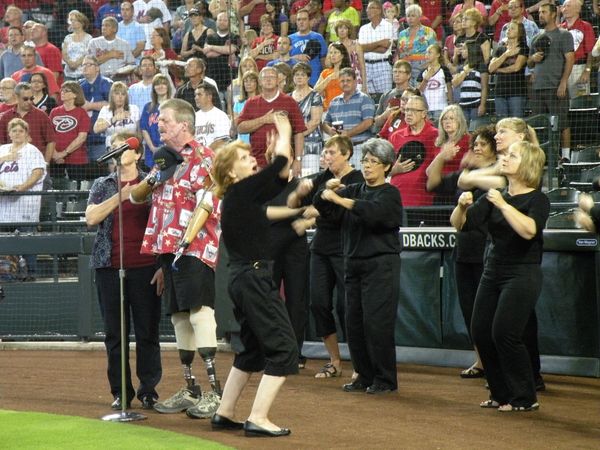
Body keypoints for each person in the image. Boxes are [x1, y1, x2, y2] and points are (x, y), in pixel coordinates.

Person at [133, 98, 223, 419]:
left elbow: (211, 204)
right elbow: (137, 196)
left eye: (165, 121)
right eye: (159, 121)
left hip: (195, 248)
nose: (159, 124)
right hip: (168, 251)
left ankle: (215, 393)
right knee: (179, 318)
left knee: (200, 314)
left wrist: (185, 242)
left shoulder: (204, 158)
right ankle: (191, 388)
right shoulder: (162, 161)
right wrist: (154, 175)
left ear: (184, 125)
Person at [210, 113, 298, 437]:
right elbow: (280, 167)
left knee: (251, 351)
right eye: (245, 158)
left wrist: (279, 156)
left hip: (242, 279)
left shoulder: (239, 196)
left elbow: (281, 176)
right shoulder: (242, 192)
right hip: (253, 279)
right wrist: (285, 130)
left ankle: (225, 412)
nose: (252, 161)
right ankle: (258, 417)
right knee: (284, 349)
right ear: (232, 171)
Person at [450, 140, 549, 412]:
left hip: (522, 273)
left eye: (511, 155)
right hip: (492, 271)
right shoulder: (495, 195)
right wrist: (462, 206)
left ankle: (524, 397)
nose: (504, 158)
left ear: (526, 165)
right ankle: (499, 394)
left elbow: (529, 230)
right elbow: (460, 225)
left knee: (505, 333)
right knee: (480, 332)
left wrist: (503, 205)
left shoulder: (537, 199)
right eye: (504, 155)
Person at [313, 138, 402, 394]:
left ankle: (385, 380)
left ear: (386, 167)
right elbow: (323, 206)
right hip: (353, 264)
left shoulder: (390, 193)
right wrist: (324, 191)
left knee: (377, 323)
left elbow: (373, 213)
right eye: (365, 161)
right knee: (354, 322)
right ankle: (364, 376)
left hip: (381, 265)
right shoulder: (355, 189)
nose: (367, 166)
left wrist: (338, 199)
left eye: (374, 162)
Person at [85, 132, 163, 411]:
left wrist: (162, 266)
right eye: (113, 148)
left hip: (145, 267)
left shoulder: (153, 182)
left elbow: (165, 223)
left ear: (138, 153)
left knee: (147, 332)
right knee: (114, 334)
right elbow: (91, 218)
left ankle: (148, 390)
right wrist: (121, 195)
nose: (118, 152)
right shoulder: (102, 184)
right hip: (109, 267)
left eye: (123, 147)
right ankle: (120, 391)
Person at [287, 135, 363, 378]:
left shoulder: (358, 179)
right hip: (320, 248)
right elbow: (300, 199)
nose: (326, 157)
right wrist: (300, 191)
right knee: (318, 303)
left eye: (332, 153)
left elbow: (342, 212)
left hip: (346, 248)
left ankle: (361, 364)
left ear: (347, 153)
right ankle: (334, 361)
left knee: (347, 307)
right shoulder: (322, 178)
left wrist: (314, 215)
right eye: (325, 153)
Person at [426, 126, 497, 377]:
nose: (476, 148)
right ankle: (481, 361)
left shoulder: (498, 176)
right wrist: (441, 157)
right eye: (474, 144)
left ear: (494, 149)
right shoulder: (465, 174)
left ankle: (496, 363)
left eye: (483, 144)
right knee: (470, 311)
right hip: (464, 250)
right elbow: (432, 181)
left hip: (488, 251)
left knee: (489, 312)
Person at [236, 66, 306, 175]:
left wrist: (298, 159)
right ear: (259, 81)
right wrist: (264, 120)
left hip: (284, 162)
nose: (268, 79)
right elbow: (240, 128)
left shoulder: (290, 102)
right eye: (265, 77)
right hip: (257, 164)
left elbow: (299, 132)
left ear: (278, 80)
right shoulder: (251, 103)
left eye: (272, 77)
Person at [528, 2, 574, 162]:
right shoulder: (536, 38)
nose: (540, 15)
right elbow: (529, 63)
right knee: (539, 125)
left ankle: (566, 158)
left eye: (544, 12)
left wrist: (563, 82)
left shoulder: (564, 35)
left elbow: (570, 59)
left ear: (554, 14)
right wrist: (532, 59)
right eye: (539, 12)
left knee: (562, 123)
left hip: (556, 86)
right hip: (537, 88)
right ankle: (543, 158)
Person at [389, 95, 438, 210]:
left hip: (423, 199)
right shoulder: (396, 136)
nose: (409, 113)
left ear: (424, 113)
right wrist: (394, 170)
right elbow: (383, 168)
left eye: (414, 110)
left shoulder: (436, 135)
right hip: (396, 199)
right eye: (407, 110)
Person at [322, 67, 375, 170]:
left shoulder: (364, 99)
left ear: (355, 82)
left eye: (348, 80)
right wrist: (330, 131)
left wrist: (348, 133)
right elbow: (325, 123)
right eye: (342, 81)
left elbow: (368, 122)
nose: (345, 83)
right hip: (339, 150)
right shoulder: (334, 101)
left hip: (359, 148)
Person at [0, 118, 46, 227]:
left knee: (24, 241)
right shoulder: (2, 150)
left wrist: (22, 187)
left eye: (21, 131)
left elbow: (38, 173)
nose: (17, 133)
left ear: (26, 134)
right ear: (9, 134)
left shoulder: (32, 150)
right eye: (14, 131)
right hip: (3, 207)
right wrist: (3, 158)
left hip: (24, 205)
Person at [0, 82, 56, 164]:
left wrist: (45, 163)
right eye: (25, 99)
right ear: (16, 97)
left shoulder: (41, 115)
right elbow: (1, 142)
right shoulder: (6, 117)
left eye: (32, 98)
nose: (29, 102)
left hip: (36, 163)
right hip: (12, 166)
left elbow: (51, 141)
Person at [49, 82, 91, 181]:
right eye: (62, 90)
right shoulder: (54, 112)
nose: (62, 92)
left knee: (76, 190)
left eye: (66, 91)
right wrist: (54, 154)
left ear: (75, 94)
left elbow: (81, 138)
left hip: (76, 160)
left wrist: (64, 153)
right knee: (57, 189)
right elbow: (49, 135)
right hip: (55, 158)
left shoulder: (82, 113)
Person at [489, 20, 528, 119]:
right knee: (502, 123)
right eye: (508, 28)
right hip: (500, 92)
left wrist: (499, 70)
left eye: (512, 28)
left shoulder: (523, 48)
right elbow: (491, 68)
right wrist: (506, 54)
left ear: (520, 32)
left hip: (517, 92)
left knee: (516, 123)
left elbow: (516, 67)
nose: (508, 30)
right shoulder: (500, 48)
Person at [80, 56, 113, 164]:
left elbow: (113, 105)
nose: (85, 68)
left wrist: (90, 105)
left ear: (97, 68)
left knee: (102, 170)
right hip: (83, 139)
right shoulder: (79, 86)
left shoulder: (107, 84)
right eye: (83, 65)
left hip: (102, 139)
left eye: (88, 65)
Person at [291, 62, 323, 176]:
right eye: (297, 75)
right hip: (292, 146)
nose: (299, 77)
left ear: (308, 77)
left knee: (311, 179)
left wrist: (298, 135)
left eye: (303, 75)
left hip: (311, 145)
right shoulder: (289, 97)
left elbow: (315, 122)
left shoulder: (315, 96)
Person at [358, 1, 395, 96]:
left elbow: (384, 49)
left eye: (371, 8)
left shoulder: (388, 26)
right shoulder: (363, 28)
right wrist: (379, 43)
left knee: (386, 96)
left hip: (383, 65)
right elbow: (360, 48)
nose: (367, 11)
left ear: (379, 10)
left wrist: (366, 47)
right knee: (367, 97)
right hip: (366, 66)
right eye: (367, 9)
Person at [560, 0, 595, 99]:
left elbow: (590, 52)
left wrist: (587, 71)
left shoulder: (586, 26)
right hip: (562, 69)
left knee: (580, 101)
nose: (565, 9)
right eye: (564, 6)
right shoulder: (560, 29)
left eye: (568, 6)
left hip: (579, 69)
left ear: (577, 9)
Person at [94, 82, 141, 151]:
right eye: (117, 94)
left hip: (131, 148)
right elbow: (96, 129)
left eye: (123, 94)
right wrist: (114, 119)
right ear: (112, 96)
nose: (120, 97)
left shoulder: (134, 109)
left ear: (126, 96)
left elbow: (139, 132)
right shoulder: (106, 110)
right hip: (112, 148)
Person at [396, 4, 438, 80]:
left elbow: (435, 51)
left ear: (419, 17)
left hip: (422, 66)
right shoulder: (402, 34)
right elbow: (399, 52)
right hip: (405, 68)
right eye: (408, 16)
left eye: (413, 16)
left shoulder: (428, 32)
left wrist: (429, 66)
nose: (410, 18)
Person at [140, 73, 173, 168]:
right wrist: (152, 148)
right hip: (152, 151)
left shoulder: (174, 105)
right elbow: (144, 129)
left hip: (171, 149)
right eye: (157, 84)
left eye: (163, 83)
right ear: (154, 88)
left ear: (168, 87)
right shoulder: (148, 107)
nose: (160, 86)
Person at [288, 9, 328, 87]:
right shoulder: (289, 38)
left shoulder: (318, 37)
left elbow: (324, 61)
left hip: (315, 82)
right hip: (295, 84)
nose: (301, 22)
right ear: (296, 22)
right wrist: (295, 57)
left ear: (309, 21)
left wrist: (324, 82)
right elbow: (283, 60)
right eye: (299, 19)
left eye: (304, 19)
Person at [203, 12, 239, 92]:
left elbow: (231, 49)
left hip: (230, 79)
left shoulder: (235, 37)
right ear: (216, 22)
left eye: (225, 20)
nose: (222, 22)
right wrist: (225, 50)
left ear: (229, 23)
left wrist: (211, 47)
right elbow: (207, 53)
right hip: (213, 79)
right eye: (220, 20)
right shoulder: (210, 37)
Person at [417, 44, 453, 123]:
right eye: (426, 53)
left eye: (430, 52)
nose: (427, 55)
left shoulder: (444, 70)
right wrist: (426, 79)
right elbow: (418, 92)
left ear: (438, 55)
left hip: (441, 108)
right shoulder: (423, 71)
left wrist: (451, 105)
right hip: (426, 110)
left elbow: (449, 89)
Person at [374, 59, 411, 132]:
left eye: (400, 72)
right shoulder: (385, 96)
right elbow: (376, 122)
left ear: (408, 75)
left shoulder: (415, 94)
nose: (397, 74)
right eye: (395, 72)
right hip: (387, 135)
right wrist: (384, 116)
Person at [314, 42, 351, 111]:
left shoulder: (348, 72)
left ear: (342, 55)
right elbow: (315, 91)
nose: (332, 55)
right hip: (327, 110)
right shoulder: (325, 72)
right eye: (331, 53)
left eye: (335, 52)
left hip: (344, 109)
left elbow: (352, 92)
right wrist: (329, 78)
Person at [194, 82, 231, 147]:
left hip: (214, 155)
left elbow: (222, 141)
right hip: (197, 155)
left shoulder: (220, 116)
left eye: (199, 94)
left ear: (209, 97)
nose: (196, 98)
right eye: (195, 95)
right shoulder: (194, 116)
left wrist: (206, 153)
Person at [334, 19, 367, 94]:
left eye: (345, 28)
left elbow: (362, 66)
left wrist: (364, 86)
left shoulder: (356, 45)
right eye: (340, 28)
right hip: (339, 80)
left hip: (356, 79)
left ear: (349, 31)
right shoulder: (333, 46)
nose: (342, 30)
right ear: (337, 30)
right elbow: (328, 64)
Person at [61, 10, 92, 81]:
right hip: (68, 73)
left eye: (75, 20)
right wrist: (70, 63)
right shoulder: (67, 37)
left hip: (83, 73)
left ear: (82, 23)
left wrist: (76, 64)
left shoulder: (89, 38)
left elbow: (88, 54)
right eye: (71, 20)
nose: (72, 22)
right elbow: (64, 54)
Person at [232, 70, 260, 143]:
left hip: (257, 141)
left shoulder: (262, 101)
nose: (248, 84)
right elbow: (235, 125)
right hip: (242, 143)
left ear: (257, 83)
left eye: (252, 81)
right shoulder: (238, 103)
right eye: (246, 81)